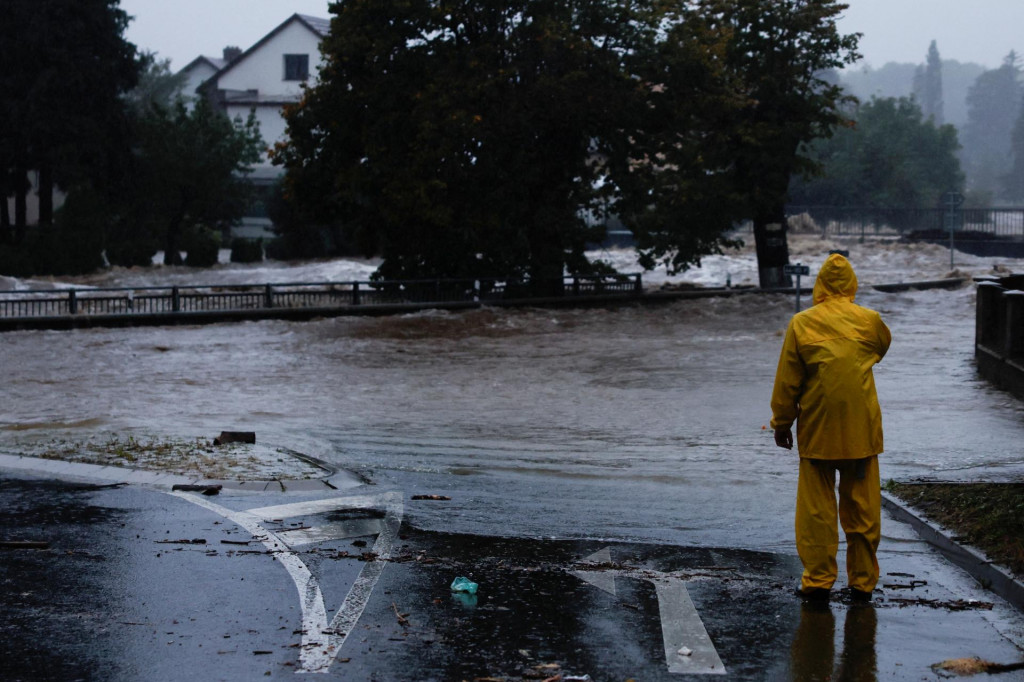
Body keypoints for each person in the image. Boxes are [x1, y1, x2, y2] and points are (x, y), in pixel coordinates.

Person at [770, 253, 891, 602]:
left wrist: (781, 423)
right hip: (861, 429)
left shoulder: (801, 324)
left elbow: (787, 383)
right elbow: (881, 348)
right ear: (852, 284)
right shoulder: (870, 321)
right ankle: (862, 582)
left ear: (819, 285)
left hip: (818, 428)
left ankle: (819, 581)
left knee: (816, 511)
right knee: (863, 510)